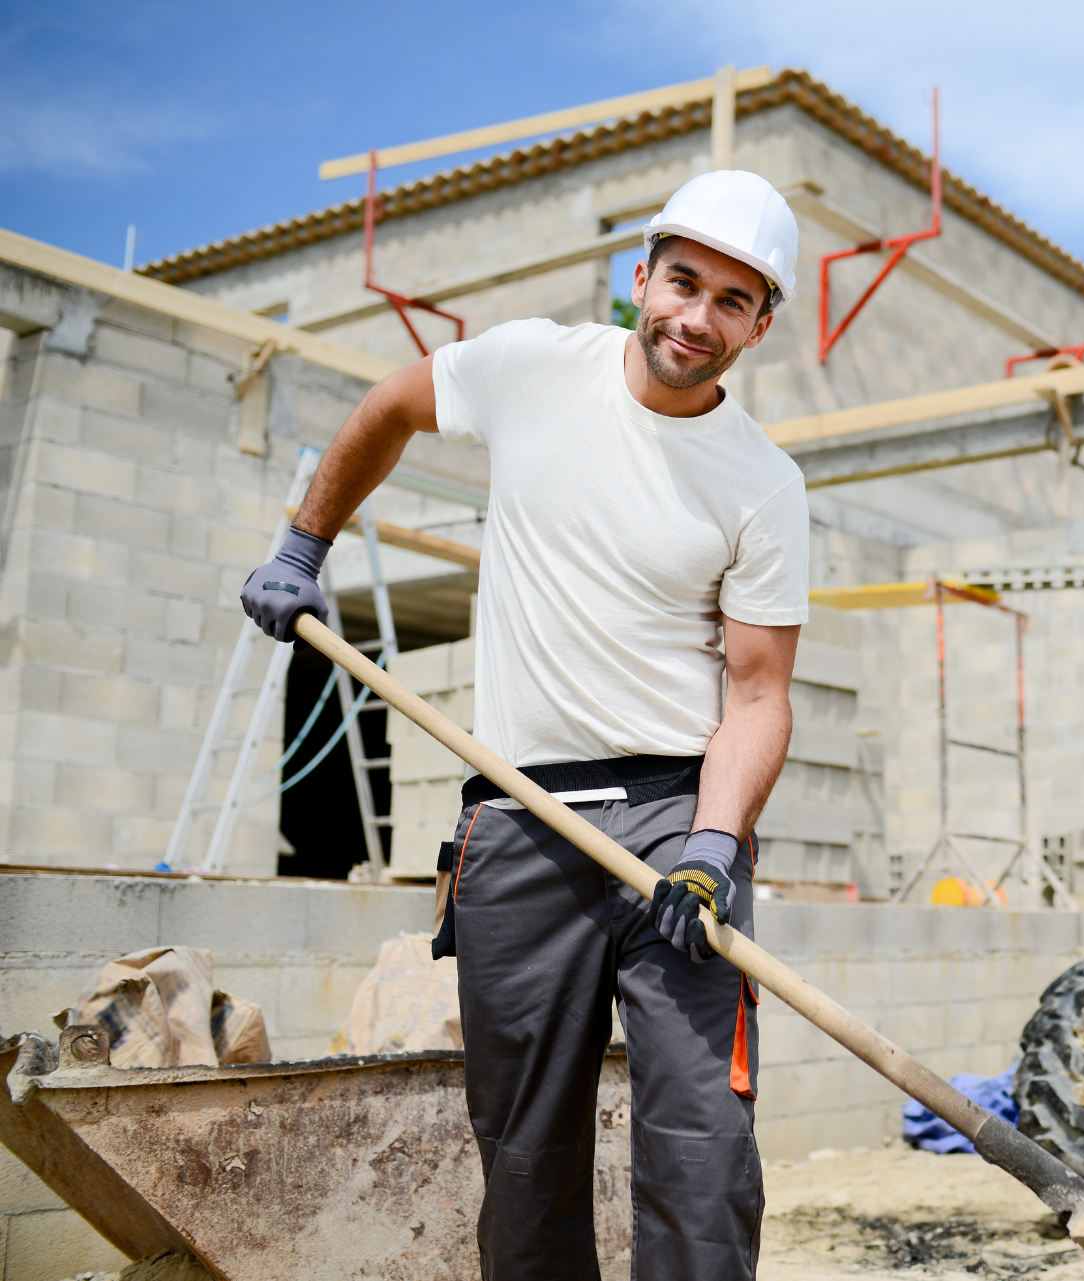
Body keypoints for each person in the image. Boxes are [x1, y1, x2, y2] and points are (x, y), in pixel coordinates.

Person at [238, 170, 809, 1279]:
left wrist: (714, 847)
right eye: (683, 282)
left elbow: (757, 696)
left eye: (732, 301)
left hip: (676, 828)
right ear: (639, 275)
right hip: (518, 817)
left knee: (702, 1149)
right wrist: (305, 547)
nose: (697, 318)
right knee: (525, 1152)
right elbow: (391, 406)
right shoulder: (530, 369)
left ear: (761, 324)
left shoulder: (762, 485)